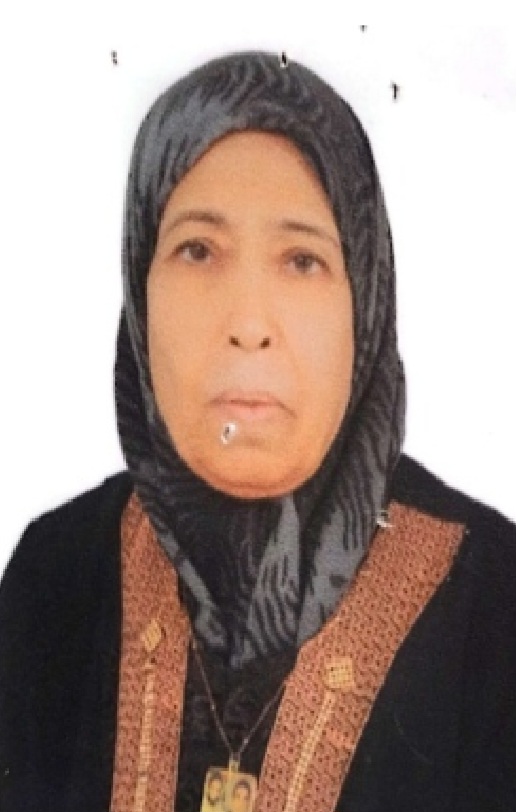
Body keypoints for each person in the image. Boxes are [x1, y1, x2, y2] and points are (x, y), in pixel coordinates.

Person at [0, 51, 515, 812]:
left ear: (364, 304)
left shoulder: (494, 604)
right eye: (198, 250)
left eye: (302, 261)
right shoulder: (57, 575)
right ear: (140, 288)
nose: (248, 323)